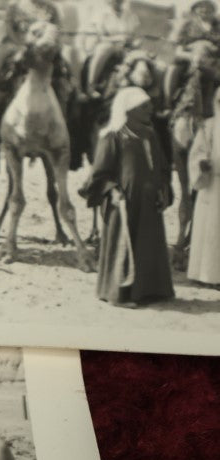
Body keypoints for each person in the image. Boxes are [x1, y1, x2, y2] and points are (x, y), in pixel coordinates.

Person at [80, 85, 176, 307]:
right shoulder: (113, 136)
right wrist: (112, 190)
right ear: (130, 108)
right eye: (144, 106)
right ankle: (120, 294)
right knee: (124, 245)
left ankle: (150, 291)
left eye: (149, 105)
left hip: (149, 202)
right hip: (124, 202)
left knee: (148, 243)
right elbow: (100, 173)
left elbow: (161, 166)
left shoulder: (151, 134)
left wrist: (162, 188)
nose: (150, 110)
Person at [188, 86, 220, 284]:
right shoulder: (208, 127)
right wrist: (201, 163)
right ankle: (208, 275)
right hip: (213, 185)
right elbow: (196, 153)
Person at [79, 0, 141, 98]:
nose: (118, 2)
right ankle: (91, 85)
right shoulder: (102, 14)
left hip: (126, 46)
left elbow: (135, 35)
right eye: (115, 1)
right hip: (107, 43)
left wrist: (135, 42)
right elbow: (100, 36)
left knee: (142, 58)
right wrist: (118, 39)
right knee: (103, 50)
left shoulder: (130, 16)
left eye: (120, 1)